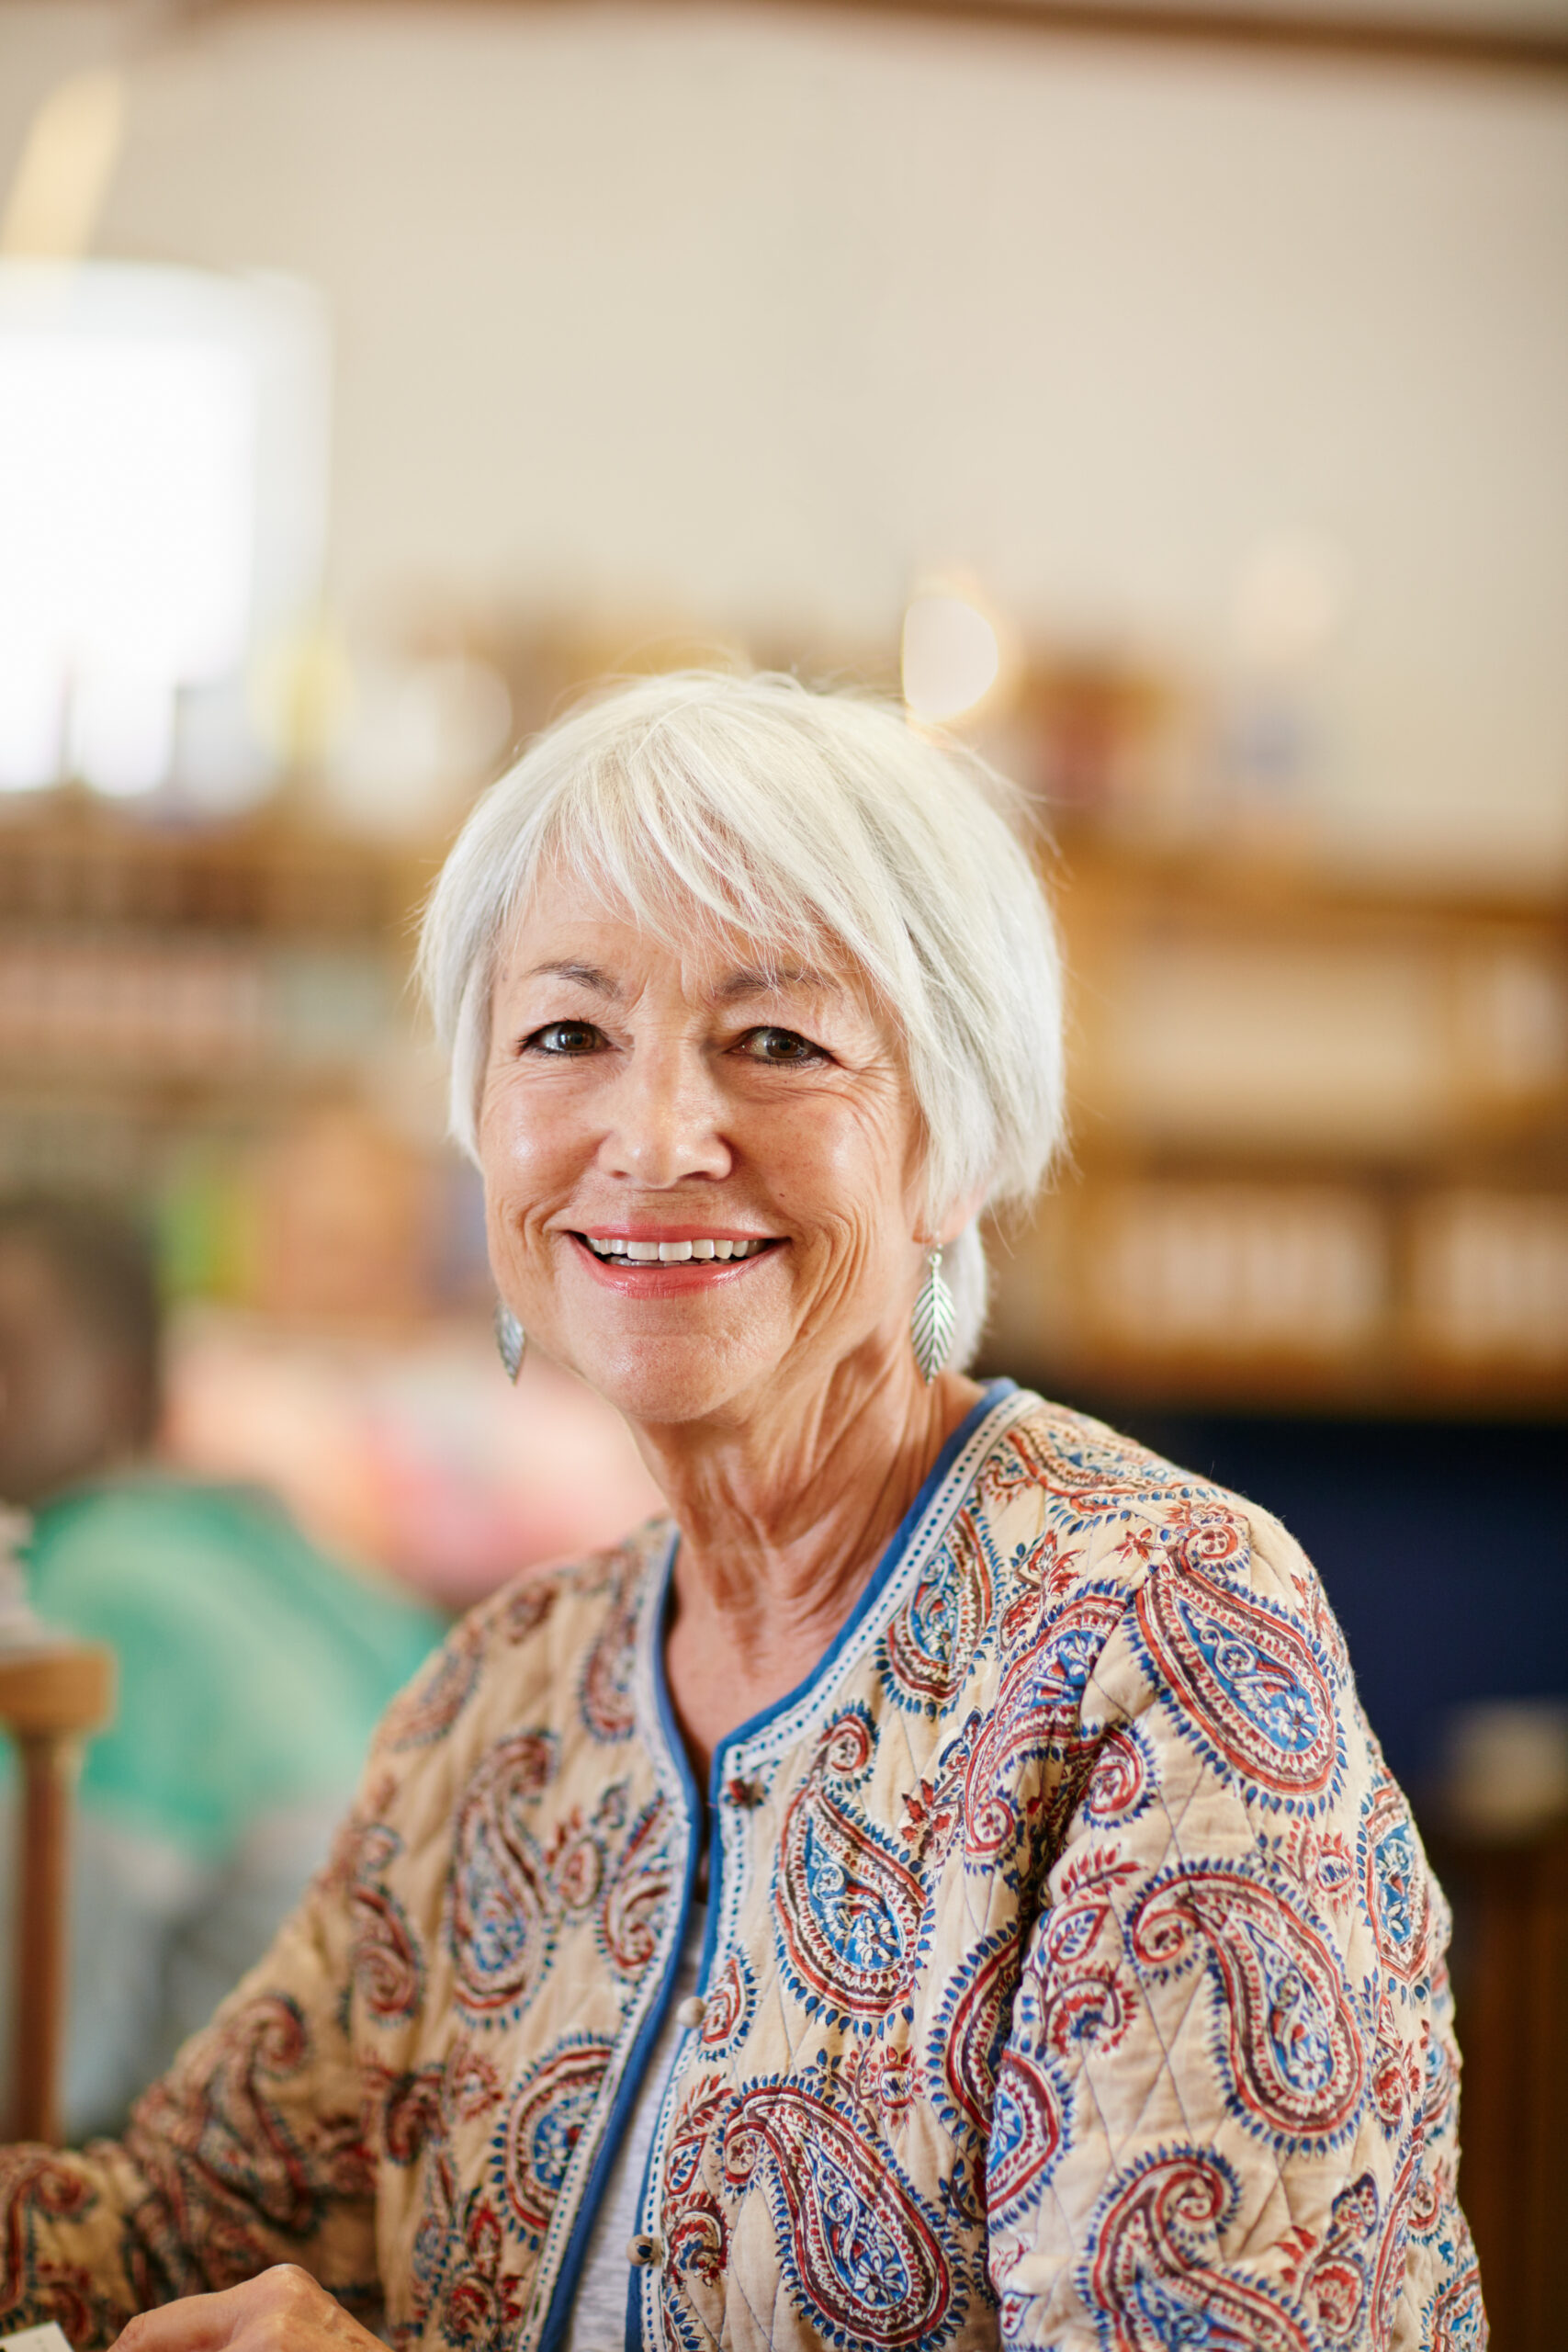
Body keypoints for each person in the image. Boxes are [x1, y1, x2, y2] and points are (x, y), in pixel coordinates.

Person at [0, 673, 1482, 2350]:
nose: (653, 1133)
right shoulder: (503, 1707)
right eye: (566, 1034)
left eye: (774, 1041)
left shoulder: (1158, 1639)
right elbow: (169, 2234)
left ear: (956, 1142)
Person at [0, 1195, 446, 2136]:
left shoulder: (94, 1594)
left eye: (9, 1355)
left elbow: (37, 2059)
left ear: (121, 1387)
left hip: (252, 2200)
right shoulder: (261, 1547)